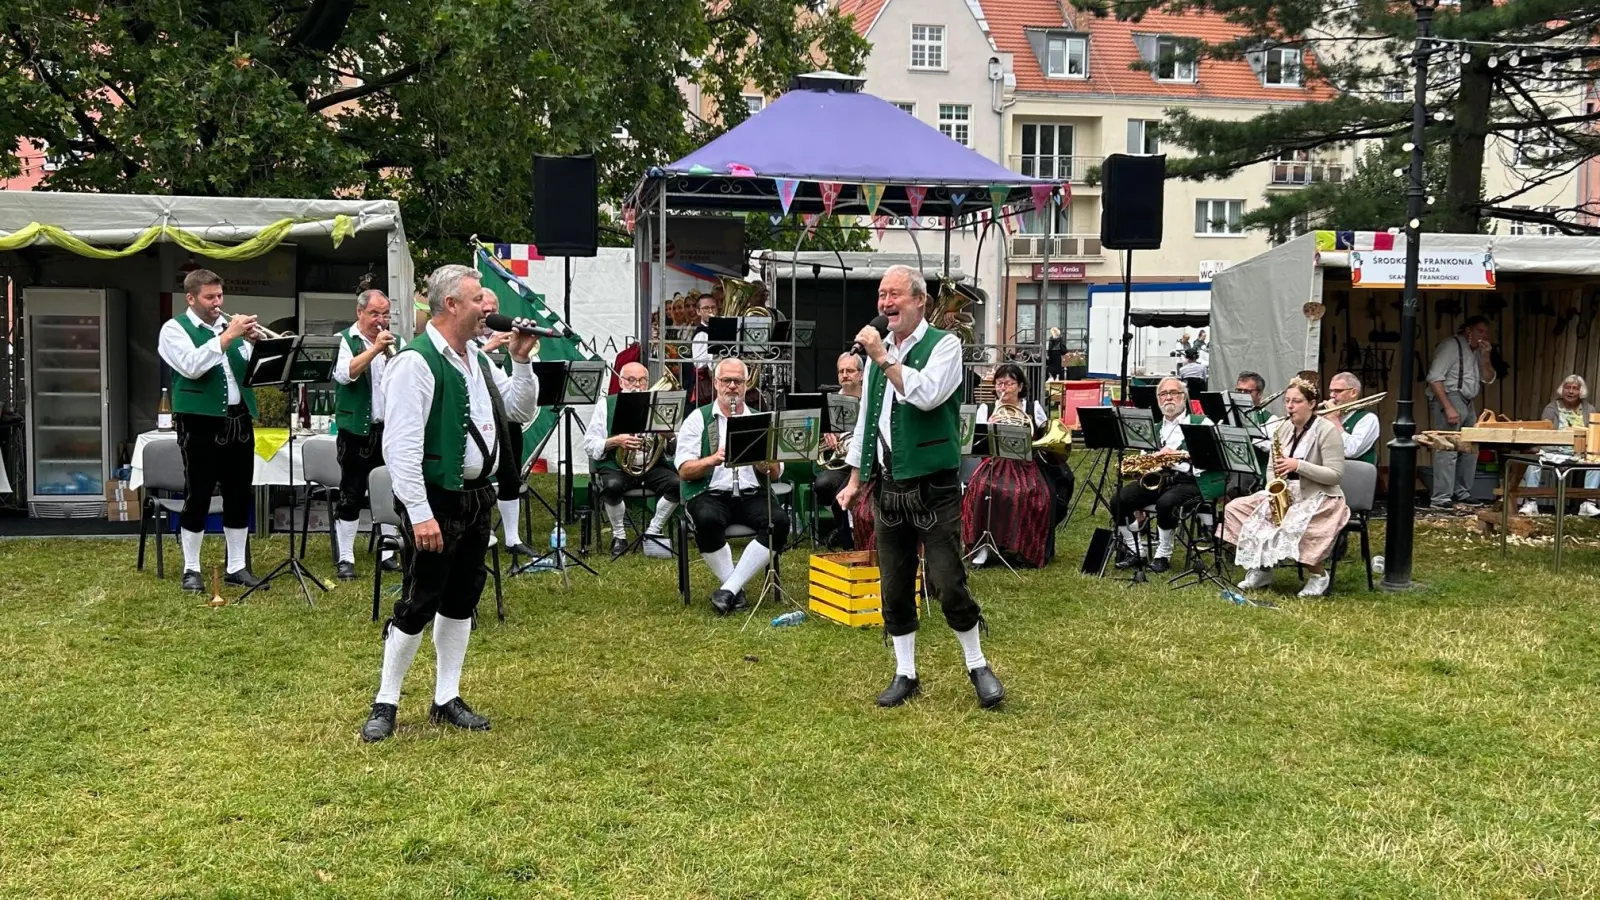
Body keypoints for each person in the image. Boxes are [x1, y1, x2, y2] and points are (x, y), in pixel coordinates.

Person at [359, 264, 541, 743]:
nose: (489, 307)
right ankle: (386, 700)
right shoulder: (416, 362)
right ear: (451, 306)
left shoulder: (477, 360)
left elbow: (520, 412)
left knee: (462, 598)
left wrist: (520, 362)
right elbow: (399, 446)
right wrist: (419, 512)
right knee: (421, 599)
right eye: (479, 298)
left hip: (477, 498)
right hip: (436, 497)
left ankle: (446, 697)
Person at [835, 264, 1004, 710]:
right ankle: (905, 672)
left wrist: (884, 359)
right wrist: (855, 479)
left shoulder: (945, 345)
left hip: (935, 485)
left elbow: (925, 394)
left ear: (919, 301)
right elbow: (869, 421)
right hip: (890, 486)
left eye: (894, 294)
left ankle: (977, 664)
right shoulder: (879, 355)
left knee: (947, 580)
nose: (885, 303)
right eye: (881, 295)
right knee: (893, 584)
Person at [156, 269, 265, 594]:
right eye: (210, 297)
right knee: (198, 493)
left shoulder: (227, 329)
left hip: (239, 419)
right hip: (199, 421)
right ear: (191, 298)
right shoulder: (174, 330)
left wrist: (254, 346)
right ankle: (191, 568)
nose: (217, 303)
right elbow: (191, 366)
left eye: (220, 296)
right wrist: (228, 336)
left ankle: (237, 567)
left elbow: (247, 374)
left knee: (238, 493)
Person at [675, 357, 790, 615]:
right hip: (709, 492)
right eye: (726, 380)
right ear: (716, 383)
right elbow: (684, 470)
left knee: (779, 521)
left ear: (746, 384)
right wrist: (713, 459)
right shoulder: (698, 418)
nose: (731, 386)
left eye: (737, 381)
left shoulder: (762, 419)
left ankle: (729, 590)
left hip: (752, 493)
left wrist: (764, 464)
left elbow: (776, 472)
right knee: (705, 519)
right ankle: (734, 588)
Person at [1225, 377, 1351, 598]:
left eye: (1297, 401)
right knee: (1236, 508)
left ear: (1311, 404)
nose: (1290, 406)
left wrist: (1298, 466)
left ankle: (1318, 575)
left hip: (1320, 496)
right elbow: (1273, 467)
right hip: (1285, 491)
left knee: (1293, 523)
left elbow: (1335, 475)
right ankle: (1262, 568)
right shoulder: (1283, 429)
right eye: (1287, 401)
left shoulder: (1327, 430)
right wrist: (1274, 488)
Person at [1107, 377, 1223, 573]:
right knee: (1119, 500)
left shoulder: (1201, 422)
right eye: (1163, 394)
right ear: (1158, 399)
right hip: (1159, 479)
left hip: (1191, 480)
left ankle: (1163, 554)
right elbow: (1145, 459)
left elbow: (1212, 458)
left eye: (1174, 393)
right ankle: (1136, 550)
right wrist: (1147, 463)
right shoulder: (1154, 428)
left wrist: (1179, 457)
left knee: (1166, 503)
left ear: (1184, 397)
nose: (1169, 398)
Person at [330, 288, 403, 580]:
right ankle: (346, 557)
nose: (381, 320)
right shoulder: (343, 341)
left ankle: (388, 552)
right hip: (356, 431)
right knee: (352, 493)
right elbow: (344, 374)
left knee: (390, 490)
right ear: (360, 313)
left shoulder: (397, 342)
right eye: (375, 314)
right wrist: (374, 349)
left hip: (390, 430)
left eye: (385, 314)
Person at [962, 363, 1051, 569]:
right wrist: (989, 425)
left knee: (1026, 493)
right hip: (995, 462)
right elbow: (977, 440)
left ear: (1020, 386)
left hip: (1024, 464)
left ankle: (1022, 548)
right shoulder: (988, 408)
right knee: (981, 489)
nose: (1003, 388)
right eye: (999, 383)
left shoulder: (1032, 408)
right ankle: (982, 545)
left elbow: (1044, 434)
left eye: (1009, 384)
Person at [585, 361, 678, 558]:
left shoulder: (659, 404)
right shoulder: (606, 404)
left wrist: (670, 436)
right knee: (611, 486)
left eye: (642, 380)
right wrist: (616, 441)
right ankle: (619, 536)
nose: (637, 385)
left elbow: (673, 450)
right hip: (618, 466)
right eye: (631, 380)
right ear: (621, 382)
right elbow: (590, 444)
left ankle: (653, 531)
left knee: (678, 484)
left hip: (651, 465)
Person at [473, 287, 537, 561]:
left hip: (506, 419)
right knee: (476, 477)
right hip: (477, 422)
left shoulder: (507, 335)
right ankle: (478, 532)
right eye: (482, 310)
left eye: (492, 312)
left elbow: (519, 399)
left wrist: (519, 358)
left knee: (511, 476)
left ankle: (512, 538)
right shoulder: (467, 343)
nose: (487, 316)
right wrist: (488, 347)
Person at [1426, 315, 1496, 511]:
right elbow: (1434, 378)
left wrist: (1486, 356)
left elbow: (1489, 379)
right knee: (1447, 448)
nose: (1484, 336)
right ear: (1468, 331)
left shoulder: (1476, 352)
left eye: (1486, 332)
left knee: (1471, 447)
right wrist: (1448, 406)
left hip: (1468, 400)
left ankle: (1462, 493)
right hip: (1450, 396)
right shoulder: (1451, 346)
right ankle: (1441, 498)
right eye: (1480, 331)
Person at [1518, 375, 1600, 517]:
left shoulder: (1589, 409)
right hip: (1552, 450)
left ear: (1581, 392)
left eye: (1575, 388)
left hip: (1580, 453)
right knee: (1533, 462)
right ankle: (1530, 502)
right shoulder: (1551, 408)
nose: (1571, 391)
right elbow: (1544, 430)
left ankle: (1588, 502)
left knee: (1597, 462)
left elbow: (1594, 433)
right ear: (1562, 390)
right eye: (1567, 388)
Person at [813, 351, 864, 549]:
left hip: (866, 462)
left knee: (842, 492)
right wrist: (826, 432)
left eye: (850, 370)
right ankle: (849, 532)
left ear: (860, 374)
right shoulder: (829, 401)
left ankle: (848, 539)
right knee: (823, 484)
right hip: (841, 462)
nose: (845, 375)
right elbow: (815, 435)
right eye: (841, 371)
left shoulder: (871, 398)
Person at [1325, 372, 1380, 465]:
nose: (1332, 395)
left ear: (1353, 392)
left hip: (1356, 475)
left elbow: (1351, 451)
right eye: (1330, 391)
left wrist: (1335, 422)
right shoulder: (1327, 418)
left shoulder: (1368, 419)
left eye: (1337, 391)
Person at [689, 291, 721, 406]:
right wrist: (714, 355)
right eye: (706, 308)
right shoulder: (701, 334)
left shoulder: (718, 330)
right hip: (706, 385)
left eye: (713, 307)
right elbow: (699, 363)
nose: (710, 311)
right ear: (698, 312)